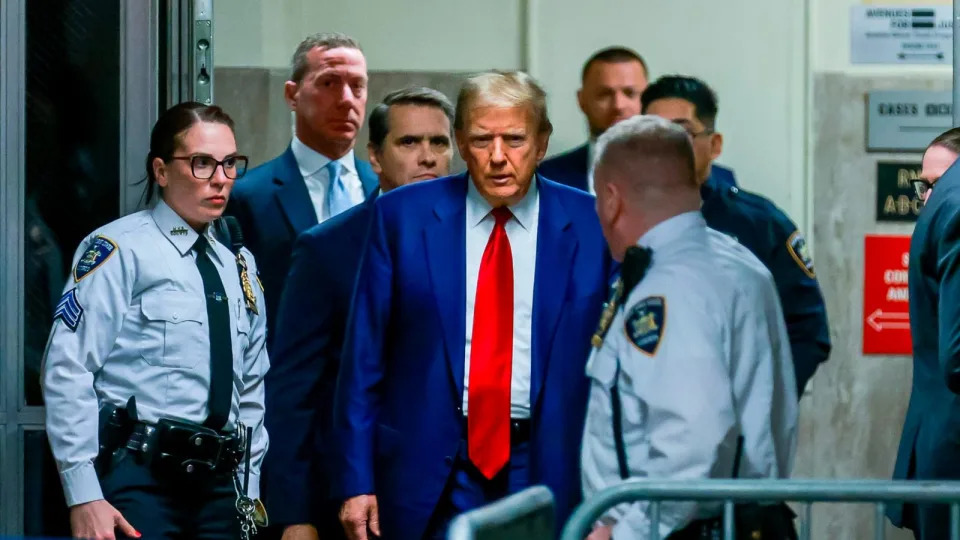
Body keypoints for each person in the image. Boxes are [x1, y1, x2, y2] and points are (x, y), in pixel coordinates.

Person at [333, 71, 614, 540]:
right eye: (482, 140)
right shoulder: (403, 217)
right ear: (460, 143)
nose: (499, 157)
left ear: (542, 143)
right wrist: (356, 480)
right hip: (430, 462)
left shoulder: (593, 224)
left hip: (549, 459)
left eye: (515, 139)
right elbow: (363, 361)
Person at [41, 102, 269, 540]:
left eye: (230, 163)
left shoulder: (238, 266)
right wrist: (83, 494)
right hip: (141, 479)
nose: (220, 178)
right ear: (161, 171)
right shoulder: (118, 249)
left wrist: (248, 489)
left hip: (221, 489)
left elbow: (253, 390)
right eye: (201, 163)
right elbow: (68, 368)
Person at [581, 114, 798, 539]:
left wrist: (626, 533)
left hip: (684, 531)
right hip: (742, 521)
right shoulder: (739, 264)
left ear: (611, 199)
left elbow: (693, 437)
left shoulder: (667, 289)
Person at [265, 86, 455, 540]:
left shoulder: (481, 242)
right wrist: (293, 514)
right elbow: (294, 391)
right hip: (359, 493)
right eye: (409, 143)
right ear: (375, 156)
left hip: (460, 486)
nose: (426, 157)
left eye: (439, 143)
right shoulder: (327, 248)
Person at [642, 75, 830, 395]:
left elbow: (807, 332)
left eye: (681, 132)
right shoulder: (618, 223)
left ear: (714, 145)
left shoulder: (759, 224)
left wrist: (763, 407)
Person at [227, 32, 378, 347]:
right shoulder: (247, 196)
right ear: (292, 95)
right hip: (285, 378)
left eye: (357, 86)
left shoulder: (385, 190)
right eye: (329, 83)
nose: (347, 99)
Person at [888, 128, 960, 539]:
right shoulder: (954, 213)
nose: (929, 198)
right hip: (947, 450)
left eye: (938, 183)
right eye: (925, 186)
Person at [537, 46, 737, 194]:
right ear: (582, 100)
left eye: (630, 93)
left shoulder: (718, 180)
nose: (618, 105)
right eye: (604, 94)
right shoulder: (546, 177)